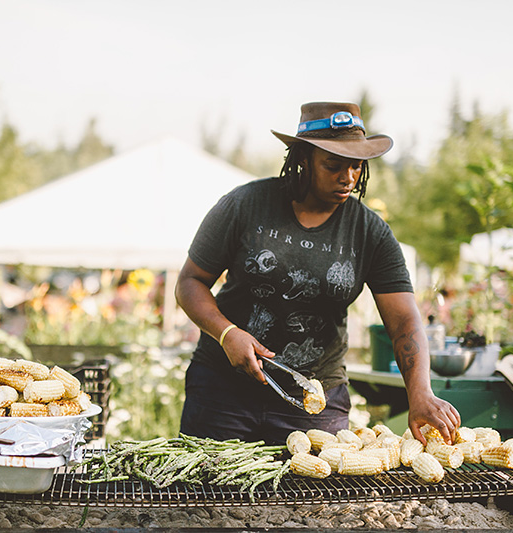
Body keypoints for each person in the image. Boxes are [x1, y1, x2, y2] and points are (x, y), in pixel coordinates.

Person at [175, 101, 460, 446]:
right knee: (211, 496)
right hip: (223, 393)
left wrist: (420, 393)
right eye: (333, 165)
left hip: (315, 401)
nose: (348, 177)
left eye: (356, 167)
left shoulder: (371, 233)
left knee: (313, 499)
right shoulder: (244, 205)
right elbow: (190, 282)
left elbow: (403, 319)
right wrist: (227, 334)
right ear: (303, 159)